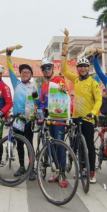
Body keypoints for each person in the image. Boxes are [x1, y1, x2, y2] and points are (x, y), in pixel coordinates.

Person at [62, 55, 102, 184]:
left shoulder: (93, 83)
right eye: (80, 66)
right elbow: (64, 70)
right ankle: (82, 168)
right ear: (77, 68)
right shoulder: (76, 79)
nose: (83, 68)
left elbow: (99, 100)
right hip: (76, 118)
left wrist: (93, 113)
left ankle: (91, 172)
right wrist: (64, 55)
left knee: (89, 145)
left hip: (88, 119)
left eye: (85, 66)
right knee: (78, 145)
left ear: (88, 68)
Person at [6, 49, 39, 181]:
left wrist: (37, 109)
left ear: (31, 75)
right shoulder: (16, 84)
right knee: (19, 144)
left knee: (29, 144)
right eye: (23, 72)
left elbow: (37, 103)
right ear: (20, 74)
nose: (25, 74)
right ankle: (21, 166)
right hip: (17, 120)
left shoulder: (34, 87)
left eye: (27, 72)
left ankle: (31, 168)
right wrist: (8, 56)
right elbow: (10, 70)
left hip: (28, 120)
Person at [38, 57, 69, 188]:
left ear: (52, 68)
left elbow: (66, 92)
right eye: (44, 68)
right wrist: (39, 111)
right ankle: (57, 171)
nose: (46, 70)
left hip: (58, 116)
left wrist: (63, 89)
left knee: (59, 144)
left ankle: (62, 173)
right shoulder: (43, 86)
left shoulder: (59, 80)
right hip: (48, 117)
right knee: (50, 145)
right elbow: (41, 102)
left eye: (48, 67)